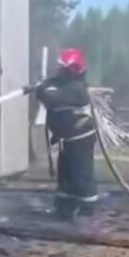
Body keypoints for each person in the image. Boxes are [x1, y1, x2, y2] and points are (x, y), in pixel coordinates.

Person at [36, 48, 99, 220]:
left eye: (64, 68)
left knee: (81, 176)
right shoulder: (61, 83)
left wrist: (43, 89)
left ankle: (87, 211)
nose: (60, 71)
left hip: (80, 140)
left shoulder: (77, 88)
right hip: (66, 140)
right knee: (65, 177)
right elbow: (49, 89)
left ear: (73, 69)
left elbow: (53, 98)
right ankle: (64, 208)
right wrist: (41, 86)